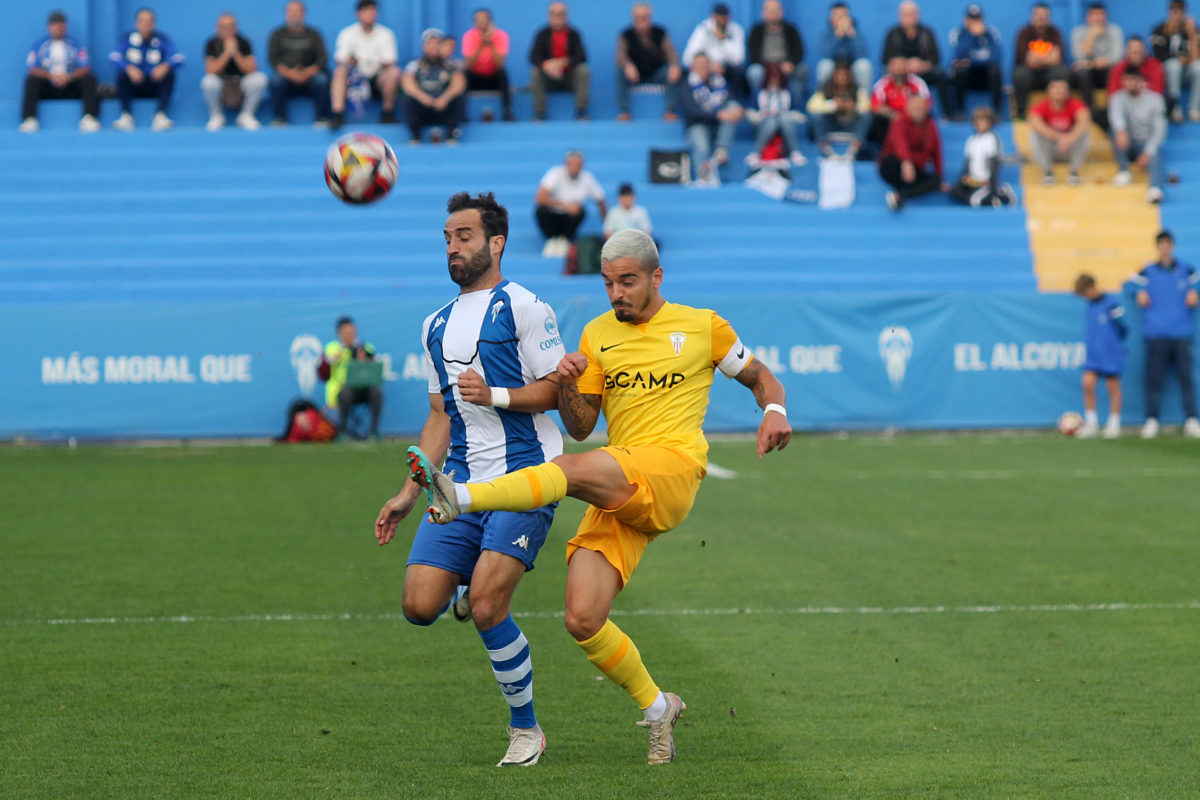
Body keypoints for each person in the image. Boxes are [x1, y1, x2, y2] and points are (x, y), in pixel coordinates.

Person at [402, 227, 791, 766]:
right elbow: (582, 426)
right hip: (622, 480)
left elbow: (760, 377)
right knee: (582, 619)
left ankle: (464, 498)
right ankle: (659, 708)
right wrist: (566, 381)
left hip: (672, 468)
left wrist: (774, 410)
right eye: (608, 283)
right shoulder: (596, 335)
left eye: (627, 281)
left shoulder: (702, 326)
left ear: (657, 276)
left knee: (561, 467)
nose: (616, 293)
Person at [374, 192, 567, 768]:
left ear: (496, 242)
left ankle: (526, 730)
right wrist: (410, 492)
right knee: (418, 605)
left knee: (487, 606)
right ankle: (465, 582)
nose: (453, 247)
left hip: (524, 476)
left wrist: (499, 394)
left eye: (463, 236)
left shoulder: (527, 308)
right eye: (447, 239)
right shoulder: (434, 324)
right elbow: (440, 416)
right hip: (455, 485)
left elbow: (559, 389)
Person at [1129, 230, 1200, 438]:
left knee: (1185, 378)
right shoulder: (1147, 271)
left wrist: (1194, 290)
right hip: (1156, 333)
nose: (1165, 247)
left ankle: (1191, 419)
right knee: (1153, 379)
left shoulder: (1186, 270)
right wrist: (1138, 292)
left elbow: (1197, 282)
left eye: (1168, 243)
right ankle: (1151, 420)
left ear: (1173, 246)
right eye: (1161, 244)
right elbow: (1128, 284)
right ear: (1157, 247)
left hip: (1180, 333)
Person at [19, 11, 99, 134]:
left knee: (89, 79)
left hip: (70, 85)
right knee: (31, 80)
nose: (59, 29)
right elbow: (32, 69)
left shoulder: (76, 45)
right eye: (56, 26)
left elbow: (85, 67)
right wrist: (51, 76)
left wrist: (69, 76)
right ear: (49, 27)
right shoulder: (39, 45)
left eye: (62, 26)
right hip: (49, 86)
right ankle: (30, 119)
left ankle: (89, 117)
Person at [109, 7, 183, 132]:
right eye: (142, 21)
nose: (145, 25)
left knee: (169, 74)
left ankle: (160, 115)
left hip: (154, 84)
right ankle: (126, 115)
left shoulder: (162, 39)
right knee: (121, 75)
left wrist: (165, 66)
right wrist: (129, 68)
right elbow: (114, 57)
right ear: (136, 23)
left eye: (149, 22)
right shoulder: (127, 39)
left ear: (154, 24)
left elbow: (178, 58)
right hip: (134, 85)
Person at [330, 0, 400, 129]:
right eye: (367, 11)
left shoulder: (386, 34)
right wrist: (353, 61)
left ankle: (387, 113)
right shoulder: (347, 33)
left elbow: (390, 61)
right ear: (359, 14)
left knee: (394, 72)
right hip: (354, 80)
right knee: (339, 71)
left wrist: (367, 59)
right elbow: (341, 59)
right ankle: (337, 114)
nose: (371, 14)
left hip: (377, 79)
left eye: (373, 11)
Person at [1073, 273, 1126, 439]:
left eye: (1084, 292)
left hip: (1110, 353)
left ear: (1091, 287)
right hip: (1093, 354)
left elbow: (1123, 328)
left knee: (1113, 387)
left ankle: (1114, 423)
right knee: (1087, 384)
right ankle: (1092, 423)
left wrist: (1113, 345)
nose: (1084, 296)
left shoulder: (1111, 303)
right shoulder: (1090, 305)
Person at [679, 52, 745, 186]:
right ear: (693, 68)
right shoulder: (687, 84)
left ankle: (722, 149)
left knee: (734, 106)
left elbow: (731, 98)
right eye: (699, 65)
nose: (703, 68)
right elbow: (692, 111)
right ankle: (702, 177)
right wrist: (718, 114)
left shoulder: (719, 81)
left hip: (718, 127)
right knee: (702, 146)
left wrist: (737, 111)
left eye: (705, 65)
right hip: (697, 124)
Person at [1109, 65, 1168, 204]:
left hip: (1146, 143)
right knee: (1114, 131)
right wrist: (1121, 131)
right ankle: (1124, 171)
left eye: (1133, 80)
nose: (1129, 84)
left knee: (1156, 153)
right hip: (1127, 143)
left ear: (1141, 81)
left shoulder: (1155, 100)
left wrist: (1147, 153)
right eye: (1126, 80)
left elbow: (1159, 131)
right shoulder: (1117, 98)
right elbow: (1116, 117)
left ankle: (1154, 189)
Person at [267, 0, 331, 126]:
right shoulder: (277, 34)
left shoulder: (314, 34)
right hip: (287, 76)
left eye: (297, 12)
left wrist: (307, 72)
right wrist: (290, 73)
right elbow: (273, 59)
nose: (293, 15)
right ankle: (280, 119)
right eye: (290, 12)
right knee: (276, 81)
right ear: (286, 14)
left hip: (310, 76)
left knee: (322, 80)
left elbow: (322, 59)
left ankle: (322, 118)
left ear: (303, 14)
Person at [201, 13, 269, 131]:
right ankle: (216, 116)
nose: (227, 30)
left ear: (236, 28)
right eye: (223, 27)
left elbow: (252, 69)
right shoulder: (211, 43)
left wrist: (235, 52)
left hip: (241, 84)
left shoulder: (244, 42)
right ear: (217, 28)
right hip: (222, 85)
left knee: (260, 79)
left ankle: (246, 114)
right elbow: (210, 70)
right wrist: (227, 53)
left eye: (230, 27)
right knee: (208, 82)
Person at [882, 1, 949, 117]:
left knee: (939, 73)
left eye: (911, 14)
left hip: (922, 71)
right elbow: (886, 59)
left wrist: (921, 65)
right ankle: (894, 110)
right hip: (900, 72)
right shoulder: (892, 34)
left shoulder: (927, 33)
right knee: (887, 74)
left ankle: (946, 114)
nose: (908, 18)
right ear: (900, 16)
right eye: (905, 14)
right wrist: (906, 65)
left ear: (917, 15)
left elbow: (935, 58)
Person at [616, 3, 682, 121]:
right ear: (633, 18)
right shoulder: (625, 35)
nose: (642, 20)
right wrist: (628, 65)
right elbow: (621, 55)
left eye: (645, 17)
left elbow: (671, 53)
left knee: (671, 71)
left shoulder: (660, 32)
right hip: (635, 75)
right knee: (621, 71)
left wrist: (674, 65)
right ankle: (625, 111)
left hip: (656, 73)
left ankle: (670, 110)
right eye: (639, 17)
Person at [535, 150, 606, 257]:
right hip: (553, 215)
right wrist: (565, 205)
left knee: (581, 210)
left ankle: (565, 240)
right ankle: (551, 239)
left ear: (582, 165)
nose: (574, 167)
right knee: (541, 210)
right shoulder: (555, 173)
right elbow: (540, 198)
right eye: (571, 164)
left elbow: (600, 200)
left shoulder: (587, 178)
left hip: (569, 219)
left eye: (577, 164)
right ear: (565, 164)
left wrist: (607, 224)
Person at [880, 93, 945, 211]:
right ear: (907, 107)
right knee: (893, 161)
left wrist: (939, 176)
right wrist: (906, 162)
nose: (918, 110)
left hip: (915, 169)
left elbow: (936, 152)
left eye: (921, 107)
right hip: (897, 166)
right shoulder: (899, 121)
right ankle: (901, 191)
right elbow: (899, 143)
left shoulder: (931, 126)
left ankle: (901, 196)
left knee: (935, 180)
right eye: (915, 107)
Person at [322, 316, 382, 439]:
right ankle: (342, 432)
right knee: (346, 393)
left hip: (363, 389)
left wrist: (363, 358)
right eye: (346, 333)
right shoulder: (332, 348)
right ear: (339, 333)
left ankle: (373, 432)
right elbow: (325, 367)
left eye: (352, 332)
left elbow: (374, 368)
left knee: (376, 393)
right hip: (340, 392)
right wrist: (343, 351)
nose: (349, 335)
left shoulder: (365, 348)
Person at [402, 29, 466, 144]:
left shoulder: (451, 64)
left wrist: (445, 97)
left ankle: (451, 134)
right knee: (407, 99)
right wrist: (422, 97)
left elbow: (459, 83)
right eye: (430, 43)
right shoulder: (415, 65)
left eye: (437, 43)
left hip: (443, 106)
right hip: (424, 106)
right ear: (424, 46)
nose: (433, 47)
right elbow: (407, 83)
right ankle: (415, 135)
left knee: (460, 97)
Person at [529, 2, 590, 121]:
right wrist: (546, 65)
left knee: (583, 70)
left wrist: (564, 62)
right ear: (549, 16)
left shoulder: (574, 34)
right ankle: (540, 113)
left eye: (561, 14)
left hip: (568, 78)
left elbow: (582, 56)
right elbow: (533, 56)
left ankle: (581, 112)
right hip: (549, 78)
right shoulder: (542, 34)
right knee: (535, 72)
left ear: (566, 16)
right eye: (554, 14)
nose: (558, 17)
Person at [1029, 73, 1091, 185]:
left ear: (1068, 93)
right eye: (1055, 89)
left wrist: (1070, 138)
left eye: (1062, 89)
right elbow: (1036, 124)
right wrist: (1062, 137)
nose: (1059, 92)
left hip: (1070, 148)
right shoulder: (1039, 107)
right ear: (1049, 92)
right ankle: (1047, 172)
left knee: (1084, 134)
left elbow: (1084, 121)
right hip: (1051, 148)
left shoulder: (1076, 105)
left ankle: (1074, 172)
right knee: (1035, 135)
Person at [949, 106, 1015, 206]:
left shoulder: (991, 138)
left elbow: (994, 164)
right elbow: (967, 163)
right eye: (977, 120)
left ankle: (999, 193)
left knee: (972, 200)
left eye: (984, 120)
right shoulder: (971, 140)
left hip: (985, 181)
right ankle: (994, 196)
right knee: (955, 192)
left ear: (990, 122)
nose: (980, 123)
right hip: (973, 181)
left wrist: (992, 184)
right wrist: (964, 177)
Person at [948, 4, 1003, 118]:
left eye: (977, 19)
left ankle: (996, 113)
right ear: (965, 20)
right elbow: (959, 54)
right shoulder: (959, 33)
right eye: (971, 19)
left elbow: (996, 57)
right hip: (969, 77)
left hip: (985, 76)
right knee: (960, 70)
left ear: (982, 20)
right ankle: (960, 112)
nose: (974, 22)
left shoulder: (990, 33)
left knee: (995, 70)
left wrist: (970, 60)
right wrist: (972, 35)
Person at [1070, 1, 1123, 117]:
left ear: (1106, 17)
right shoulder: (1078, 32)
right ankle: (1090, 108)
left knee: (1115, 70)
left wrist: (1090, 63)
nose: (1097, 18)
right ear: (1087, 17)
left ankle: (1114, 109)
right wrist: (1091, 35)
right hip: (1087, 75)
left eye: (1101, 14)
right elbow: (1079, 57)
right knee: (1081, 72)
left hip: (1105, 72)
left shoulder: (1115, 31)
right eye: (1094, 15)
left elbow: (1116, 58)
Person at [747, 0, 807, 103]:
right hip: (764, 66)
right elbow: (752, 54)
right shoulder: (756, 30)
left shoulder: (791, 29)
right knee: (754, 71)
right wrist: (769, 66)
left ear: (781, 12)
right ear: (763, 13)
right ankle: (759, 105)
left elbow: (799, 51)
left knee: (802, 70)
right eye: (769, 10)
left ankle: (794, 105)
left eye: (775, 10)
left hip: (786, 66)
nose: (772, 13)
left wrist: (791, 63)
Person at [682, 3, 747, 98]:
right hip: (707, 67)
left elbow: (738, 60)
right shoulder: (703, 29)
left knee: (739, 71)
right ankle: (701, 104)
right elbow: (687, 58)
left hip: (726, 68)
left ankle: (734, 101)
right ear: (713, 16)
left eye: (725, 18)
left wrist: (724, 40)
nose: (722, 21)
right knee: (690, 72)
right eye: (719, 17)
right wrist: (709, 66)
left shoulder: (736, 30)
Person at [1013, 3, 1065, 119]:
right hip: (1029, 73)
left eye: (1044, 15)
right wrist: (1048, 57)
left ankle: (1058, 111)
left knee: (1062, 72)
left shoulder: (1055, 33)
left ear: (1049, 17)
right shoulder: (1024, 33)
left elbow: (1057, 58)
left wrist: (1036, 57)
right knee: (1020, 74)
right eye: (1038, 15)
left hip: (1049, 72)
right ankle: (1021, 112)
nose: (1041, 18)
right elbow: (1028, 60)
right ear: (1032, 16)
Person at [807, 64, 871, 159]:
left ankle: (854, 150)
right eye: (839, 75)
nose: (842, 78)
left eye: (845, 76)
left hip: (850, 125)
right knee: (816, 116)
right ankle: (826, 149)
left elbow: (867, 107)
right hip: (831, 125)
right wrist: (833, 105)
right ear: (834, 77)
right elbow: (811, 106)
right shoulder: (825, 89)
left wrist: (854, 106)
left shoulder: (857, 89)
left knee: (867, 116)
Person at [746, 65, 806, 166]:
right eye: (771, 78)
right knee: (771, 121)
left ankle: (794, 152)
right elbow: (750, 112)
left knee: (784, 118)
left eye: (777, 78)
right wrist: (761, 115)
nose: (774, 81)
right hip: (763, 124)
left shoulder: (789, 92)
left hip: (784, 125)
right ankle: (756, 152)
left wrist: (787, 115)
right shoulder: (758, 92)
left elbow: (798, 113)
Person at [1150, 1, 1199, 121]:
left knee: (1199, 67)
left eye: (1180, 11)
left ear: (1184, 13)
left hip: (1187, 72)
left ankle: (1194, 108)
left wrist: (1192, 34)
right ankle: (1174, 108)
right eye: (1173, 11)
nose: (1176, 15)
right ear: (1169, 12)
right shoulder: (1159, 30)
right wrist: (1178, 59)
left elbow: (1196, 58)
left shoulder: (1193, 30)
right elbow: (1158, 56)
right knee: (1174, 65)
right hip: (1168, 73)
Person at [461, 8, 514, 121]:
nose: (482, 23)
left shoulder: (501, 35)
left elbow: (500, 63)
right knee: (464, 75)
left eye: (485, 20)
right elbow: (469, 63)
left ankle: (507, 111)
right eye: (478, 21)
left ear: (491, 22)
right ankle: (462, 113)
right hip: (476, 78)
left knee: (503, 73)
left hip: (493, 77)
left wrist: (490, 44)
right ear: (474, 23)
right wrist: (480, 44)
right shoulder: (469, 36)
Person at [869, 55, 930, 145]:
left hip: (911, 118)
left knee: (927, 117)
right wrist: (892, 114)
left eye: (902, 65)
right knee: (876, 118)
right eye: (896, 65)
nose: (899, 68)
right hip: (890, 118)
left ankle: (920, 147)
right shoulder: (882, 84)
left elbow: (926, 103)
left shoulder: (917, 82)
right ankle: (884, 147)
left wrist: (907, 115)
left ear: (907, 67)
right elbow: (875, 105)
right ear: (889, 68)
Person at [817, 2, 872, 89]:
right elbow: (826, 55)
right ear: (831, 18)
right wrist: (838, 35)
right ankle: (823, 97)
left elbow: (862, 54)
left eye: (843, 15)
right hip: (834, 66)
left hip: (851, 66)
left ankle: (863, 98)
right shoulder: (827, 34)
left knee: (864, 66)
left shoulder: (856, 32)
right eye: (836, 16)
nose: (840, 19)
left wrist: (851, 34)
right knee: (824, 65)